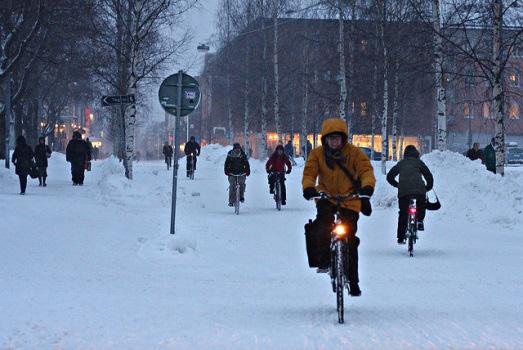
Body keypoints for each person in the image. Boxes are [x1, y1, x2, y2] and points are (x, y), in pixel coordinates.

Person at [302, 118, 376, 297]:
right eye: (330, 138)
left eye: (337, 138)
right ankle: (325, 261)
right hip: (326, 196)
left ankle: (353, 279)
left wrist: (367, 187)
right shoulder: (317, 154)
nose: (334, 142)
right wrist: (309, 188)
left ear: (343, 138)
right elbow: (309, 172)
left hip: (349, 198)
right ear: (325, 139)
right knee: (322, 226)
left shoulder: (355, 153)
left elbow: (366, 170)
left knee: (350, 238)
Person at [386, 145, 434, 244]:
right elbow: (428, 176)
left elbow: (389, 176)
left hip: (404, 192)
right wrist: (428, 187)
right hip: (419, 191)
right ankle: (420, 221)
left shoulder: (401, 163)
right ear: (416, 153)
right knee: (422, 205)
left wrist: (397, 185)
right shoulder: (419, 162)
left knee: (403, 213)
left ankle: (400, 237)